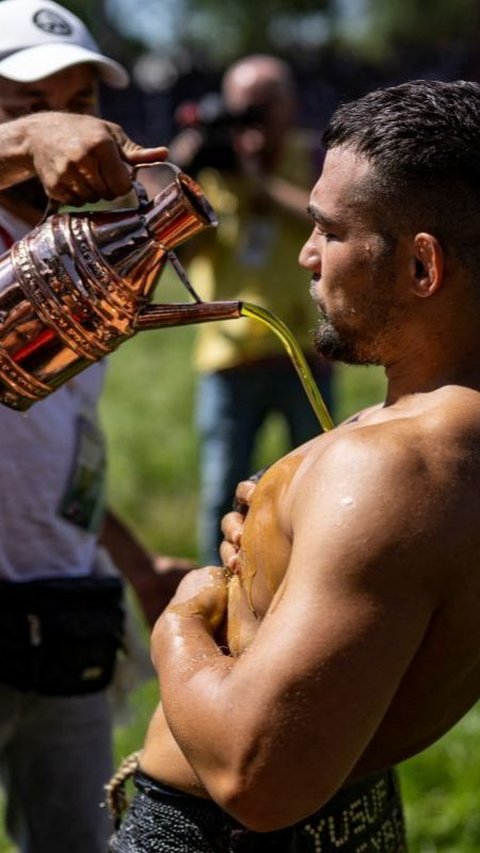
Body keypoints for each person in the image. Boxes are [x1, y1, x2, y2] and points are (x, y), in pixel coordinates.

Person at [108, 77, 480, 852]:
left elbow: (257, 776)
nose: (307, 254)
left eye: (329, 231)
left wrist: (184, 613)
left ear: (422, 268)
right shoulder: (439, 442)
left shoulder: (397, 468)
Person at [0, 2, 195, 852]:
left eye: (77, 99)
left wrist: (135, 563)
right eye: (26, 100)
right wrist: (24, 137)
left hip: (67, 605)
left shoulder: (74, 252)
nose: (60, 119)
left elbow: (56, 450)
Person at [169, 54, 335, 565]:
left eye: (264, 105)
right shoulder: (212, 171)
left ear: (290, 105)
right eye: (242, 107)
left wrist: (257, 184)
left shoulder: (316, 159)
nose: (253, 118)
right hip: (228, 356)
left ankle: (311, 581)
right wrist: (183, 169)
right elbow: (175, 254)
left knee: (316, 485)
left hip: (303, 350)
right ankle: (217, 595)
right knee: (223, 489)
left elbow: (325, 222)